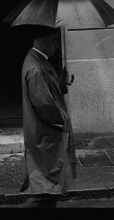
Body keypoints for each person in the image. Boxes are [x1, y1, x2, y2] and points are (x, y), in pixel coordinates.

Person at [20, 26, 76, 208]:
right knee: (44, 192)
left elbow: (48, 91)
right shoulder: (36, 68)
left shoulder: (40, 61)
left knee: (48, 191)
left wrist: (60, 82)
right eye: (54, 40)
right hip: (46, 137)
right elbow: (45, 104)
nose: (57, 46)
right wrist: (63, 120)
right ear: (43, 41)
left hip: (46, 137)